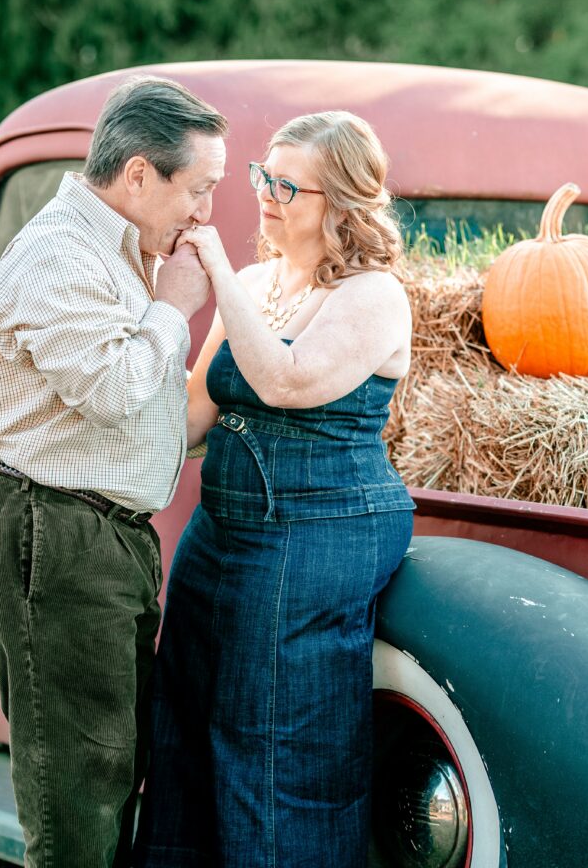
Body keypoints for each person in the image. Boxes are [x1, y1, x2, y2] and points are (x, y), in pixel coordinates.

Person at [0, 76, 228, 868]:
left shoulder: (124, 253)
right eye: (199, 189)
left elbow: (140, 414)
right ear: (140, 173)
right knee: (76, 788)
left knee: (113, 767)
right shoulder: (57, 255)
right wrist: (176, 307)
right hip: (54, 528)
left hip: (94, 532)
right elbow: (112, 390)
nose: (204, 213)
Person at [133, 111, 416, 868]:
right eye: (264, 177)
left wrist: (219, 278)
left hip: (316, 530)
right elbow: (195, 413)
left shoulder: (374, 294)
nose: (266, 194)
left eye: (288, 185)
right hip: (224, 527)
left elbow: (286, 382)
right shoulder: (259, 283)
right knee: (187, 716)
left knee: (271, 740)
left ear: (345, 201)